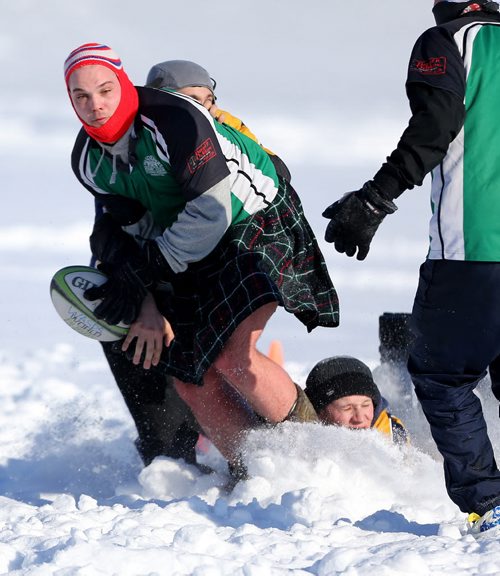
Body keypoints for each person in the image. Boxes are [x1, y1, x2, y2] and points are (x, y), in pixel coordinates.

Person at [64, 43, 339, 478]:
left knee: (233, 357)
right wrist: (144, 295)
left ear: (122, 83)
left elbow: (213, 213)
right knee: (193, 377)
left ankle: (323, 463)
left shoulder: (175, 119)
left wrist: (149, 270)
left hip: (254, 222)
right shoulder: (88, 160)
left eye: (105, 90)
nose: (95, 105)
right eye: (81, 96)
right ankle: (256, 475)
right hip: (194, 245)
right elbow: (132, 230)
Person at [322, 0, 500, 533]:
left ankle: (489, 504)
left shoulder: (448, 41)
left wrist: (375, 199)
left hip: (475, 249)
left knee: (441, 375)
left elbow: (434, 128)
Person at [95, 59, 290, 469]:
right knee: (118, 313)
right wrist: (145, 302)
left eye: (208, 101)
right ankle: (174, 447)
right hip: (161, 271)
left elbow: (277, 177)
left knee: (228, 357)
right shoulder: (139, 143)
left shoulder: (222, 132)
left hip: (222, 261)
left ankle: (284, 450)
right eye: (190, 102)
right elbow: (113, 237)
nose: (201, 111)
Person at [304, 356, 408, 444]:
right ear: (320, 412)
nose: (359, 418)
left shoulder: (393, 435)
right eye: (347, 408)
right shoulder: (299, 435)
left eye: (365, 405)